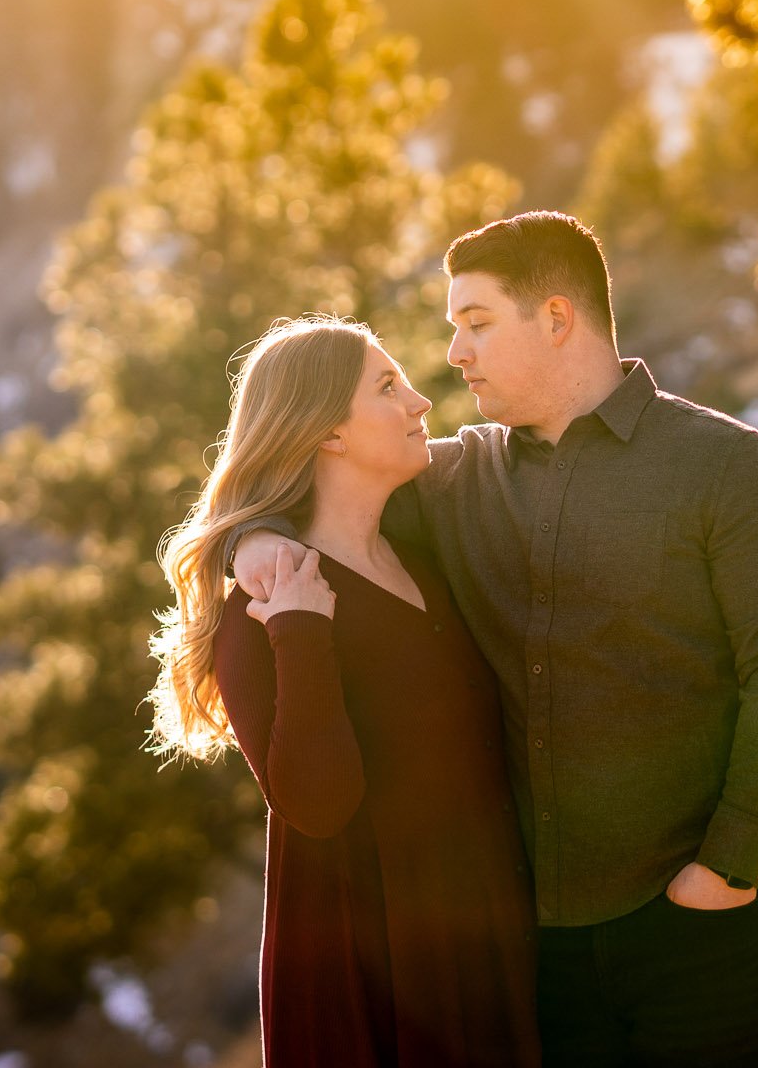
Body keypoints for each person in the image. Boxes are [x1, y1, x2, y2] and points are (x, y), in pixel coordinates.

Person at [235, 212, 758, 1066]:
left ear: (556, 319)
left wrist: (728, 867)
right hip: (541, 959)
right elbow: (318, 484)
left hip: (705, 923)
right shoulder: (447, 480)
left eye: (476, 324)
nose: (455, 355)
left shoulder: (727, 466)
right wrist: (248, 541)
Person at [150, 315, 540, 1068]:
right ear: (326, 432)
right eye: (390, 387)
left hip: (489, 932)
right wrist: (300, 632)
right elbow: (318, 804)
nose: (423, 401)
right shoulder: (263, 610)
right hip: (380, 973)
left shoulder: (427, 555)